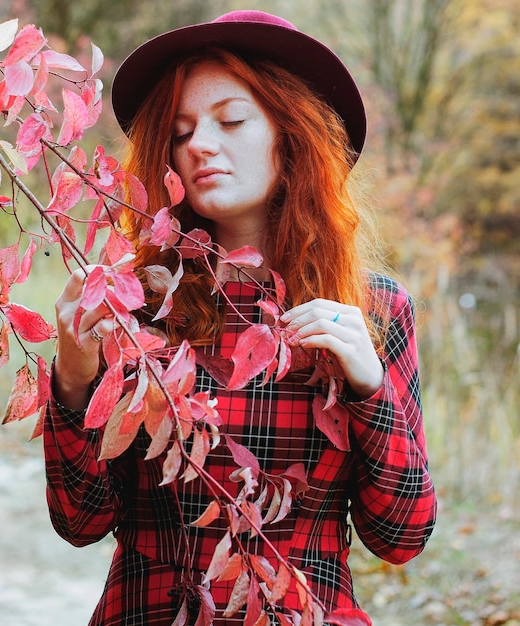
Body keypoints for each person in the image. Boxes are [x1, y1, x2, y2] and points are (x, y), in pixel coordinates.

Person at [44, 10, 437, 626]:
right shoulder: (135, 307)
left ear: (292, 133)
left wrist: (370, 390)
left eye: (230, 120)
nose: (199, 144)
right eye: (180, 132)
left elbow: (401, 536)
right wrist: (72, 381)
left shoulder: (374, 312)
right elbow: (79, 522)